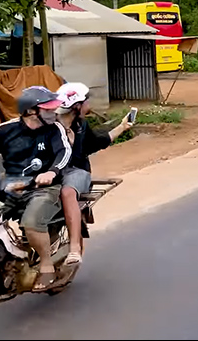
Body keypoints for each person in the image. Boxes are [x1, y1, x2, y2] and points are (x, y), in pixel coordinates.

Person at [0, 86, 72, 292]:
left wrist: (52, 172)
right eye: (48, 109)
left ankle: (46, 265)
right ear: (30, 111)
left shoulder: (55, 129)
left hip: (44, 187)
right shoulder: (4, 131)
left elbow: (64, 153)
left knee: (32, 221)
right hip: (10, 186)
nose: (54, 113)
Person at [54, 82, 133, 265]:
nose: (89, 105)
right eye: (86, 101)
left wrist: (122, 127)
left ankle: (74, 248)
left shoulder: (81, 125)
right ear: (77, 106)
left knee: (67, 192)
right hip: (52, 172)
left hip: (77, 172)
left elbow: (98, 142)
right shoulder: (49, 126)